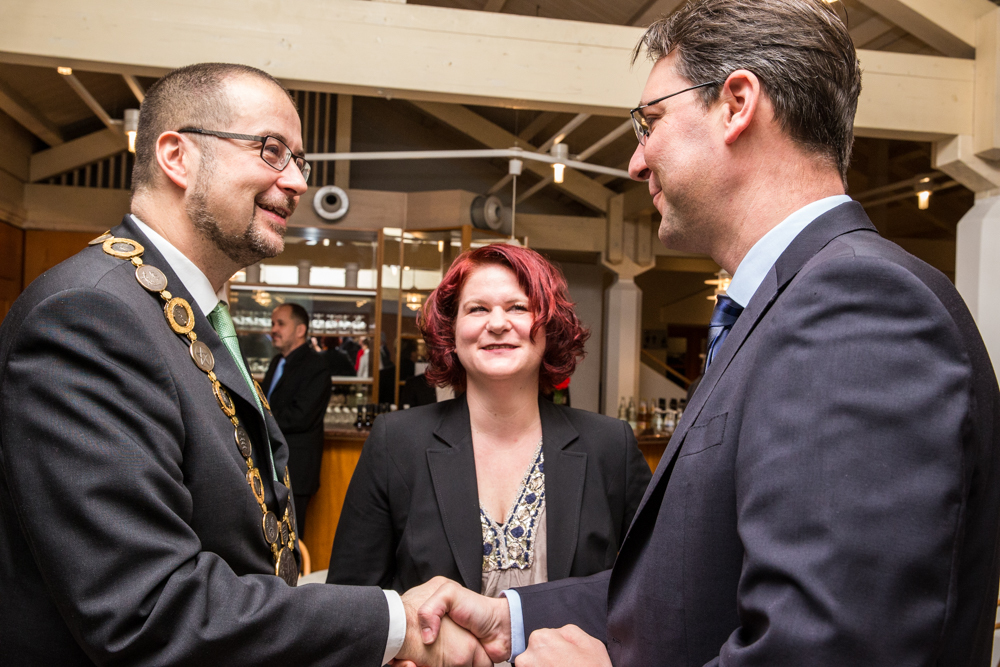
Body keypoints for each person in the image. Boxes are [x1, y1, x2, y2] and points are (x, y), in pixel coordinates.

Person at [412, 2, 1000, 665]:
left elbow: (830, 648)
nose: (636, 161)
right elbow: (689, 587)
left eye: (650, 122)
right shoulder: (788, 304)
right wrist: (512, 617)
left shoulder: (859, 303)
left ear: (736, 105)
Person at [0, 62, 485, 667]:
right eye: (271, 150)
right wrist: (395, 626)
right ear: (177, 156)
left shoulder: (175, 311)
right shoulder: (89, 313)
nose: (297, 182)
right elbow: (148, 610)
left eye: (300, 161)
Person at [327, 245, 651, 609]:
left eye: (518, 307)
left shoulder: (609, 445)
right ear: (451, 331)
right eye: (477, 309)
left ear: (550, 326)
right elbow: (350, 603)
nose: (497, 324)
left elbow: (661, 583)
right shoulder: (397, 443)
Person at [263, 302, 332, 539]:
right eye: (273, 323)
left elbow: (300, 417)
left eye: (281, 324)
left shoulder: (316, 366)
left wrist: (260, 419)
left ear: (300, 330)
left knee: (291, 541)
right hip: (270, 466)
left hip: (296, 470)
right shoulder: (277, 362)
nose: (273, 329)